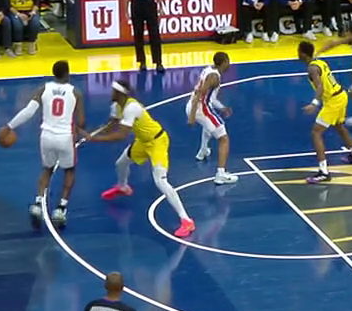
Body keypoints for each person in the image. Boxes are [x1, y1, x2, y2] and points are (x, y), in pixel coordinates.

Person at [85, 80, 195, 237]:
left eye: (113, 91)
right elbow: (112, 124)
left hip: (157, 141)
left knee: (160, 181)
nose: (110, 93)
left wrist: (96, 139)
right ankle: (123, 187)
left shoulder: (132, 107)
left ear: (120, 93)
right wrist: (93, 133)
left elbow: (121, 135)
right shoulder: (116, 106)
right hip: (143, 142)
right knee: (121, 163)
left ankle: (186, 220)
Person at [1, 60, 84, 229]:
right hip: (65, 137)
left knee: (47, 169)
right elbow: (81, 122)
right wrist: (78, 127)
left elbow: (28, 112)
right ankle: (61, 208)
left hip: (46, 136)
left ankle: (38, 203)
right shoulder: (76, 93)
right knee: (69, 170)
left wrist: (9, 126)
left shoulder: (43, 89)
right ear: (67, 73)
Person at [298, 40, 352, 184]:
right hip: (340, 95)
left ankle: (324, 172)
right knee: (339, 126)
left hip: (334, 101)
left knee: (316, 132)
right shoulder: (319, 62)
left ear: (303, 54)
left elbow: (320, 87)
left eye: (299, 52)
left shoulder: (312, 69)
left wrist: (314, 103)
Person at [188, 51, 238, 185]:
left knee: (209, 126)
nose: (230, 64)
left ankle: (203, 150)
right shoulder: (214, 77)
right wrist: (192, 116)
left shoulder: (208, 70)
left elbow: (211, 98)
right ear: (224, 62)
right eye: (228, 61)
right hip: (200, 109)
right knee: (224, 138)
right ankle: (220, 174)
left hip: (196, 106)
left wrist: (222, 108)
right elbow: (200, 94)